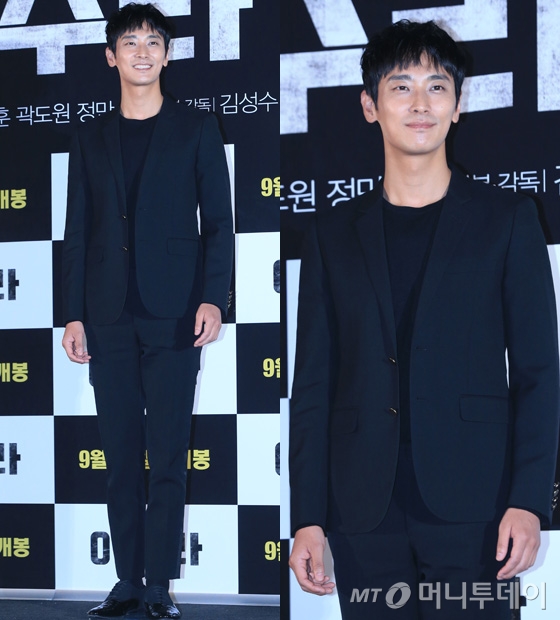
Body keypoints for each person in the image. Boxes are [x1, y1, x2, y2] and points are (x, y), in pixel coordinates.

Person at [288, 20, 560, 619]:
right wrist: (307, 516)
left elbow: (539, 373)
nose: (420, 104)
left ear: (457, 105)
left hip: (478, 506)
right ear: (370, 105)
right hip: (363, 510)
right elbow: (311, 385)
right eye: (401, 86)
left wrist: (529, 501)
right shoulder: (331, 234)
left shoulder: (507, 220)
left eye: (437, 87)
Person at [61, 3, 232, 618]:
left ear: (166, 54)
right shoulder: (90, 136)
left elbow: (219, 223)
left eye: (152, 41)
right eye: (129, 42)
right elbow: (77, 231)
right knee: (119, 460)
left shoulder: (196, 128)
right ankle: (126, 581)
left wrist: (214, 297)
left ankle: (158, 584)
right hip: (106, 316)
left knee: (167, 459)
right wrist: (72, 314)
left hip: (176, 313)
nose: (141, 51)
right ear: (111, 56)